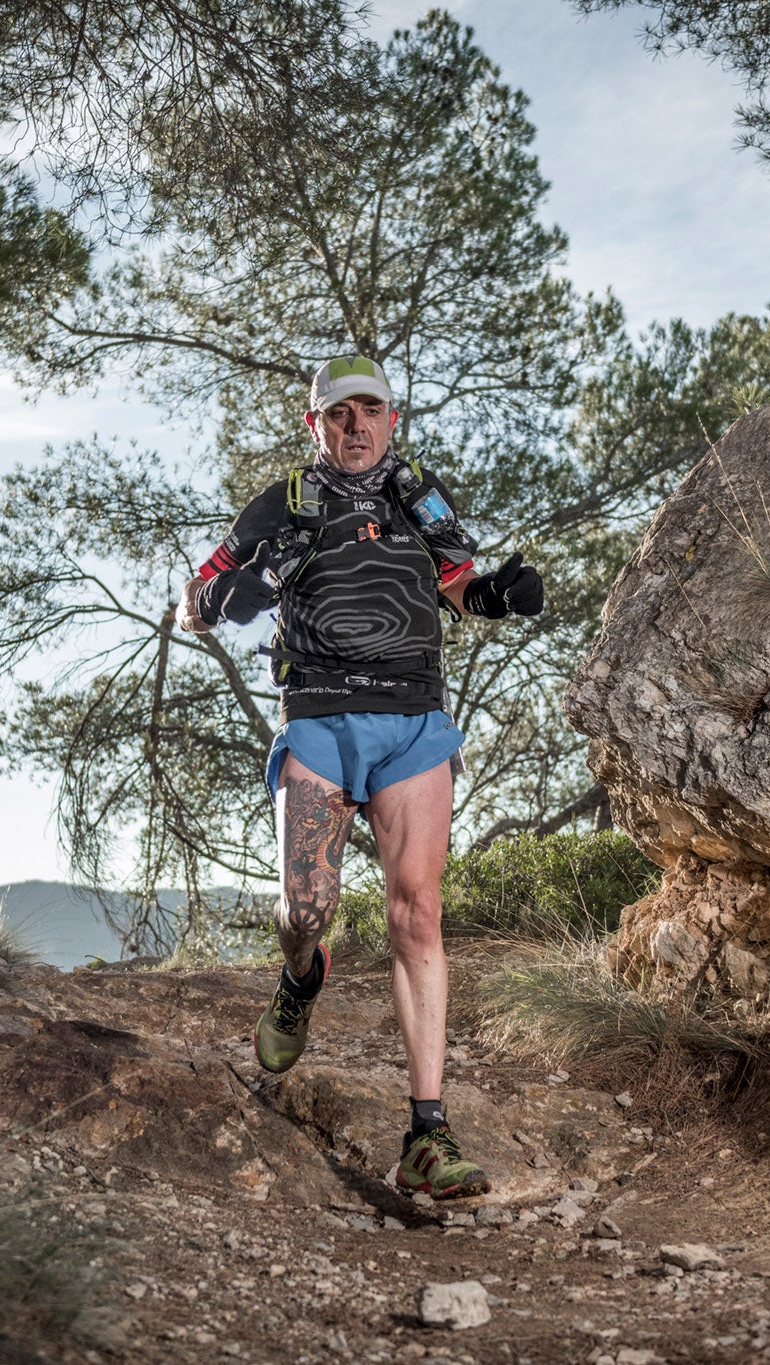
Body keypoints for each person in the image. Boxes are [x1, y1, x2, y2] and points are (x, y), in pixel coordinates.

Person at [178, 355, 544, 1200]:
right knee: (306, 907)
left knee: (417, 912)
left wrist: (499, 596)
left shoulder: (419, 495)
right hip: (316, 712)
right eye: (338, 414)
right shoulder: (283, 504)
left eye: (369, 410)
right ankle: (302, 972)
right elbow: (196, 596)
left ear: (391, 418)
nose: (354, 427)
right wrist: (221, 596)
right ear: (315, 425)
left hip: (415, 716)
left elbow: (458, 587)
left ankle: (427, 1131)